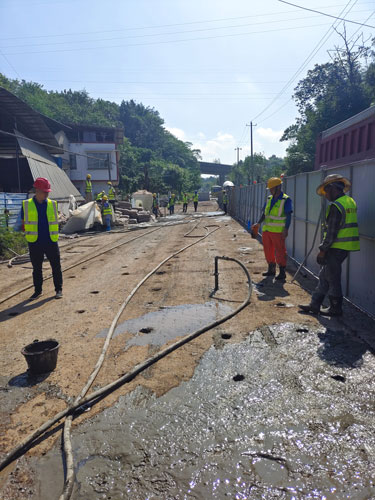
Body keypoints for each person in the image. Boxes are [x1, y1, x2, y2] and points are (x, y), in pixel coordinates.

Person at [299, 174, 359, 316]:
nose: (325, 195)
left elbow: (332, 233)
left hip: (335, 247)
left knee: (332, 277)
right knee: (325, 275)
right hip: (345, 247)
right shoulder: (350, 201)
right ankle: (315, 304)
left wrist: (323, 250)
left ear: (332, 188)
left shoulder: (336, 206)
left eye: (326, 191)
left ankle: (335, 308)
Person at [14, 177, 63, 300]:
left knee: (56, 266)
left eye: (47, 192)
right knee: (37, 268)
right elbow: (22, 222)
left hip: (51, 240)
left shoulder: (53, 204)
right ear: (37, 190)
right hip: (34, 241)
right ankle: (38, 291)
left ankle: (58, 289)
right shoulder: (26, 205)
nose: (47, 194)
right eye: (44, 191)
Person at [251, 177, 293, 281]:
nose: (270, 190)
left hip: (278, 232)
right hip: (267, 231)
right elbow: (264, 214)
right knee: (268, 250)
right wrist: (258, 223)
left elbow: (288, 215)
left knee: (280, 251)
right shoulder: (269, 198)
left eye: (271, 188)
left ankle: (282, 272)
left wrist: (286, 229)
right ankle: (271, 269)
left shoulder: (286, 200)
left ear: (278, 187)